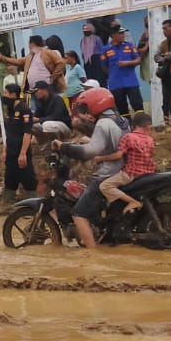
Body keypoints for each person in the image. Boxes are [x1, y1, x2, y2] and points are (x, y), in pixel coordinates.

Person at [52, 87, 125, 248]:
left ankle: (91, 254)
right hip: (123, 170)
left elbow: (88, 153)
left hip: (109, 173)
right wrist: (87, 139)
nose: (87, 112)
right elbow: (108, 143)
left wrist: (63, 146)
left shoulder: (103, 123)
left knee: (79, 213)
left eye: (87, 107)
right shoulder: (118, 119)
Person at [96, 112, 156, 214]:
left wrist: (100, 158)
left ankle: (132, 202)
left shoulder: (128, 137)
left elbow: (118, 155)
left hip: (131, 174)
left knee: (105, 186)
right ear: (148, 126)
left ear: (133, 126)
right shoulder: (150, 140)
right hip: (148, 174)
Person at [0, 82, 37, 212]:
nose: (5, 96)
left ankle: (33, 207)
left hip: (21, 150)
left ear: (14, 95)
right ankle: (6, 205)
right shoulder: (11, 110)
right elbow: (9, 133)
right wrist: (5, 150)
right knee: (10, 177)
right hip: (11, 150)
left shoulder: (24, 109)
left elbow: (27, 133)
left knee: (27, 178)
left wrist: (23, 153)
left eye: (6, 93)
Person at [0, 35, 66, 101]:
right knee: (37, 110)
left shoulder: (48, 53)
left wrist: (53, 77)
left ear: (32, 44)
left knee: (49, 106)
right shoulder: (30, 56)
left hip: (46, 87)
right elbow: (17, 61)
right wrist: (2, 58)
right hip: (33, 89)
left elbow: (61, 63)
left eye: (29, 44)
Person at [103, 23, 145, 114]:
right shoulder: (106, 49)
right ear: (113, 35)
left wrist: (128, 63)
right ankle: (127, 126)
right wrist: (112, 75)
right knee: (122, 110)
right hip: (116, 84)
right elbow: (103, 66)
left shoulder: (129, 46)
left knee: (138, 106)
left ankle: (142, 125)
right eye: (120, 33)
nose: (123, 35)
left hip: (131, 81)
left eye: (123, 33)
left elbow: (138, 60)